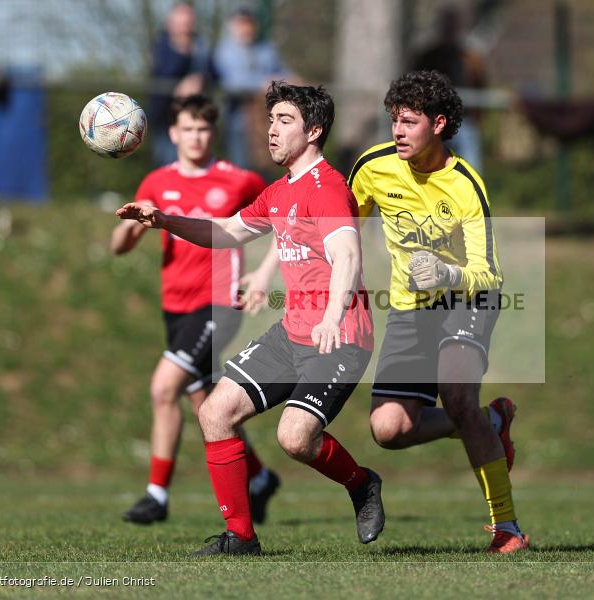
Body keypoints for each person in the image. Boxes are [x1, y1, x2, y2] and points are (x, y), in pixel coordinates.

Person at [116, 81, 383, 556]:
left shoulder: (328, 188)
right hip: (292, 333)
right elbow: (225, 232)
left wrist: (332, 314)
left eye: (285, 121)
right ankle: (240, 537)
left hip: (338, 337)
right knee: (215, 412)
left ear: (315, 130)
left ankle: (361, 484)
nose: (272, 131)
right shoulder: (279, 192)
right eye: (272, 120)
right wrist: (164, 220)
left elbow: (347, 256)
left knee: (295, 439)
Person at [347, 70, 527, 554]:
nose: (397, 132)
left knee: (456, 393)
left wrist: (447, 276)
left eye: (408, 122)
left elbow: (488, 273)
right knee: (389, 429)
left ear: (439, 123)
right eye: (393, 121)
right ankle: (490, 423)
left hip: (467, 299)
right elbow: (343, 233)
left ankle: (507, 528)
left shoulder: (466, 184)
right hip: (411, 309)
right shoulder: (372, 168)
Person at [111, 94, 280, 527]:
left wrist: (263, 275)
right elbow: (119, 245)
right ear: (173, 133)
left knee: (164, 387)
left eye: (203, 129)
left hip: (220, 304)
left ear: (213, 133)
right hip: (176, 306)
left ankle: (156, 494)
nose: (195, 137)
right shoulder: (155, 182)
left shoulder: (238, 180)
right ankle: (259, 478)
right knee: (208, 401)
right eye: (187, 129)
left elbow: (288, 218)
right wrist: (133, 226)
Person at [212, 6, 292, 171]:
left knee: (264, 172)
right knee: (240, 170)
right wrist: (262, 83)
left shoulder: (266, 49)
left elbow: (281, 72)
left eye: (248, 23)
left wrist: (291, 80)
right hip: (238, 121)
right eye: (241, 24)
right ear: (232, 26)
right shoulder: (224, 51)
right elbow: (231, 83)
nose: (245, 28)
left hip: (265, 121)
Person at [411, 5, 487, 172]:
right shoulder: (428, 57)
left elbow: (480, 86)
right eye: (446, 24)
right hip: (433, 122)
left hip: (464, 123)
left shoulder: (470, 59)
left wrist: (478, 118)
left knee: (470, 170)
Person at [147, 3, 212, 167]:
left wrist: (200, 79)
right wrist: (183, 51)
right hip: (166, 119)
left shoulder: (201, 47)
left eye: (188, 23)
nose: (185, 28)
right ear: (170, 24)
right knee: (168, 166)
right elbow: (164, 72)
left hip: (194, 117)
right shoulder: (161, 46)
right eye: (181, 24)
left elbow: (214, 72)